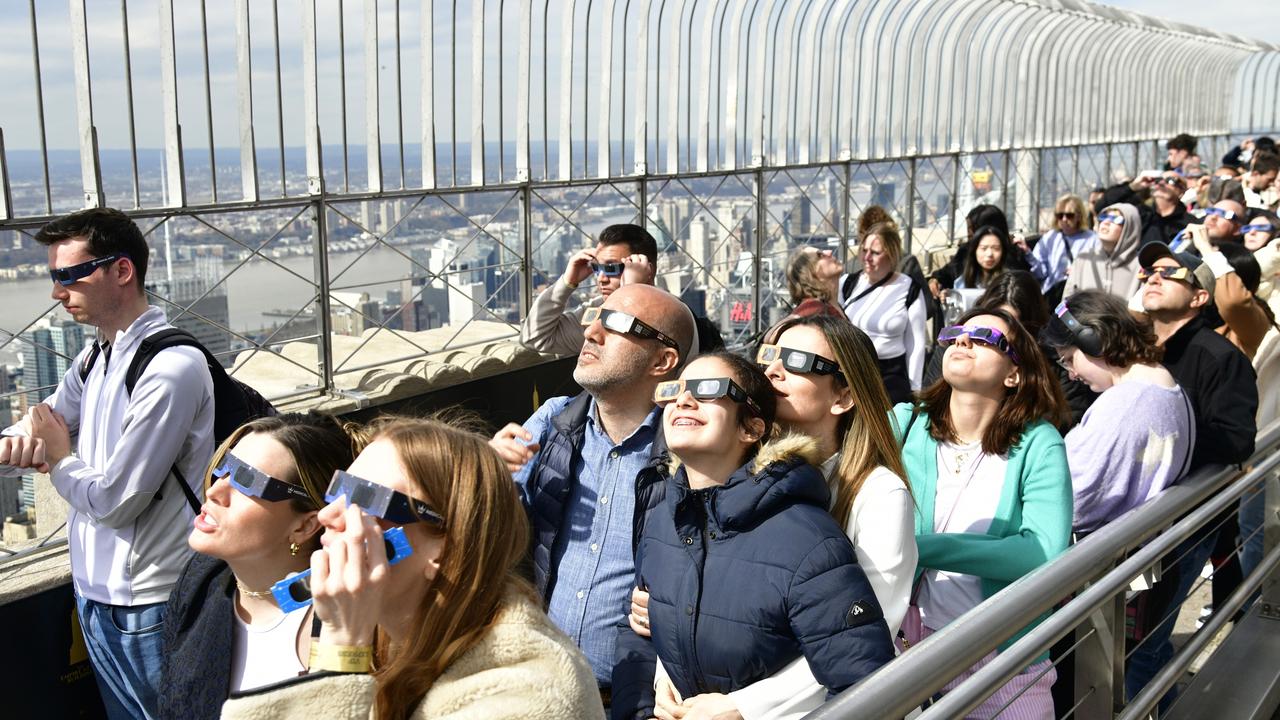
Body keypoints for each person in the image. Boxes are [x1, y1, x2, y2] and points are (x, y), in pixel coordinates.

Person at [627, 315, 916, 719]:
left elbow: (861, 639)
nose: (773, 370)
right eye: (769, 356)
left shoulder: (879, 494)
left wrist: (744, 706)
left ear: (843, 396)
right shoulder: (726, 476)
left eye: (797, 360)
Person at [220, 417, 603, 719]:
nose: (328, 514)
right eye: (339, 489)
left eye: (367, 497)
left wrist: (341, 649)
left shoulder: (528, 692)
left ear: (447, 545)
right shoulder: (390, 637)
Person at [0, 208, 216, 720]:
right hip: (96, 596)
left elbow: (117, 502)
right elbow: (41, 427)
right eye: (55, 277)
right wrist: (23, 447)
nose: (58, 292)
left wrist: (57, 458)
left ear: (123, 271)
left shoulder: (170, 369)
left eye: (71, 276)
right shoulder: (94, 358)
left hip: (152, 601)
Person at [489, 284, 696, 698]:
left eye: (616, 324)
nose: (591, 333)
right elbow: (495, 533)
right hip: (542, 680)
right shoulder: (553, 422)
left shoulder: (688, 451)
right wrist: (487, 476)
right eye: (593, 318)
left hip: (636, 696)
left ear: (663, 360)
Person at [897, 307, 1071, 718]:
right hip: (907, 646)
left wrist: (922, 548)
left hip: (1002, 655)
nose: (962, 340)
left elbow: (1043, 552)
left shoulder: (1038, 443)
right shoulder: (905, 424)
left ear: (1014, 373)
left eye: (985, 338)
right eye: (957, 332)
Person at [1127, 241, 1259, 707]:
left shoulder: (1219, 357)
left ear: (1200, 297)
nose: (1153, 277)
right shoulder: (1133, 349)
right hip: (1129, 519)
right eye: (1148, 272)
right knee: (1134, 647)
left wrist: (1162, 444)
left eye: (1169, 272)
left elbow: (1236, 438)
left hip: (1182, 526)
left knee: (1140, 651)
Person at [160, 413, 360, 719]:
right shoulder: (202, 579)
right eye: (224, 469)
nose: (215, 491)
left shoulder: (348, 617)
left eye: (248, 481)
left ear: (305, 525)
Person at [1041, 292, 1194, 533]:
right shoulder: (1165, 385)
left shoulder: (1124, 406)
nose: (1071, 374)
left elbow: (1073, 504)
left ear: (1094, 341)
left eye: (1070, 359)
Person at [924, 270, 1097, 428]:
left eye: (993, 338)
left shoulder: (1057, 365)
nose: (964, 341)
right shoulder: (953, 352)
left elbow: (1069, 416)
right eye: (986, 331)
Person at [519, 223, 721, 356]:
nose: (601, 278)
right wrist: (566, 282)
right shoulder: (597, 310)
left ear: (645, 267)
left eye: (612, 268)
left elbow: (631, 360)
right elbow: (535, 338)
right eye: (596, 268)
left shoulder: (676, 314)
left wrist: (633, 292)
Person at [837, 222, 928, 403]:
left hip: (891, 375)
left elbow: (916, 342)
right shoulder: (847, 283)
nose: (866, 257)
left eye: (875, 253)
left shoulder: (908, 288)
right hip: (853, 370)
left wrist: (915, 387)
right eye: (864, 250)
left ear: (892, 254)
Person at [1063, 202, 1142, 299]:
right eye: (1103, 217)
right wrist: (1062, 314)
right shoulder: (1083, 259)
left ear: (1131, 228)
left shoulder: (1141, 266)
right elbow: (1066, 301)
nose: (1106, 222)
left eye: (1116, 219)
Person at [1093, 173, 1191, 250]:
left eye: (1170, 180)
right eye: (1158, 180)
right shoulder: (1140, 213)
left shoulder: (1190, 223)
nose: (1161, 183)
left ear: (1182, 191)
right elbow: (1102, 207)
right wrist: (1132, 187)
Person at [1026, 194, 1097, 295]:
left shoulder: (1092, 239)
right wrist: (1027, 253)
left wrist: (1080, 272)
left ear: (1079, 216)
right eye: (1060, 216)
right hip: (1053, 295)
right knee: (1060, 311)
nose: (1064, 219)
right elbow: (1040, 273)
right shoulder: (1050, 238)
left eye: (1069, 215)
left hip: (1078, 295)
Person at [783, 245, 845, 319]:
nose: (829, 252)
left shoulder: (828, 308)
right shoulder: (812, 310)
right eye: (820, 255)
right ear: (808, 273)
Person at [954, 225, 1012, 290]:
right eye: (984, 248)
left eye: (996, 248)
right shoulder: (961, 283)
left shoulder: (1011, 282)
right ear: (974, 250)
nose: (989, 254)